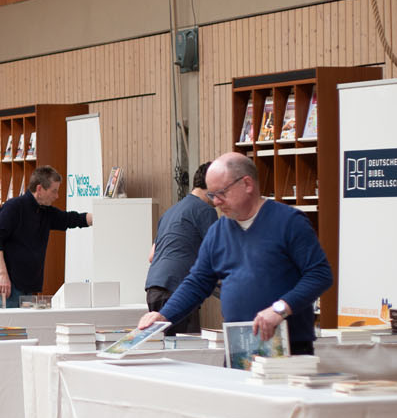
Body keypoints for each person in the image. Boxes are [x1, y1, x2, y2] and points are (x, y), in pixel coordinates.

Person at [136, 152, 332, 354]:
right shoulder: (218, 231)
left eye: (221, 193)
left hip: (289, 346)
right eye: (211, 195)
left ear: (247, 184)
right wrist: (164, 316)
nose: (216, 202)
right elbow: (198, 282)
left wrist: (280, 309)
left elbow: (319, 274)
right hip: (240, 345)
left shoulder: (289, 221)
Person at [0, 165, 92, 307]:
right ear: (39, 189)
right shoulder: (13, 207)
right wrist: (2, 274)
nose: (57, 196)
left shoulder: (45, 212)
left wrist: (100, 216)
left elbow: (71, 219)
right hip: (6, 286)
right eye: (54, 191)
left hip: (27, 288)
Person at [144, 161, 216, 334]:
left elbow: (152, 255)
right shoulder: (205, 211)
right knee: (185, 346)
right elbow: (218, 254)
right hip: (177, 290)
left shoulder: (170, 212)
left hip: (154, 286)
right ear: (212, 186)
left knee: (165, 344)